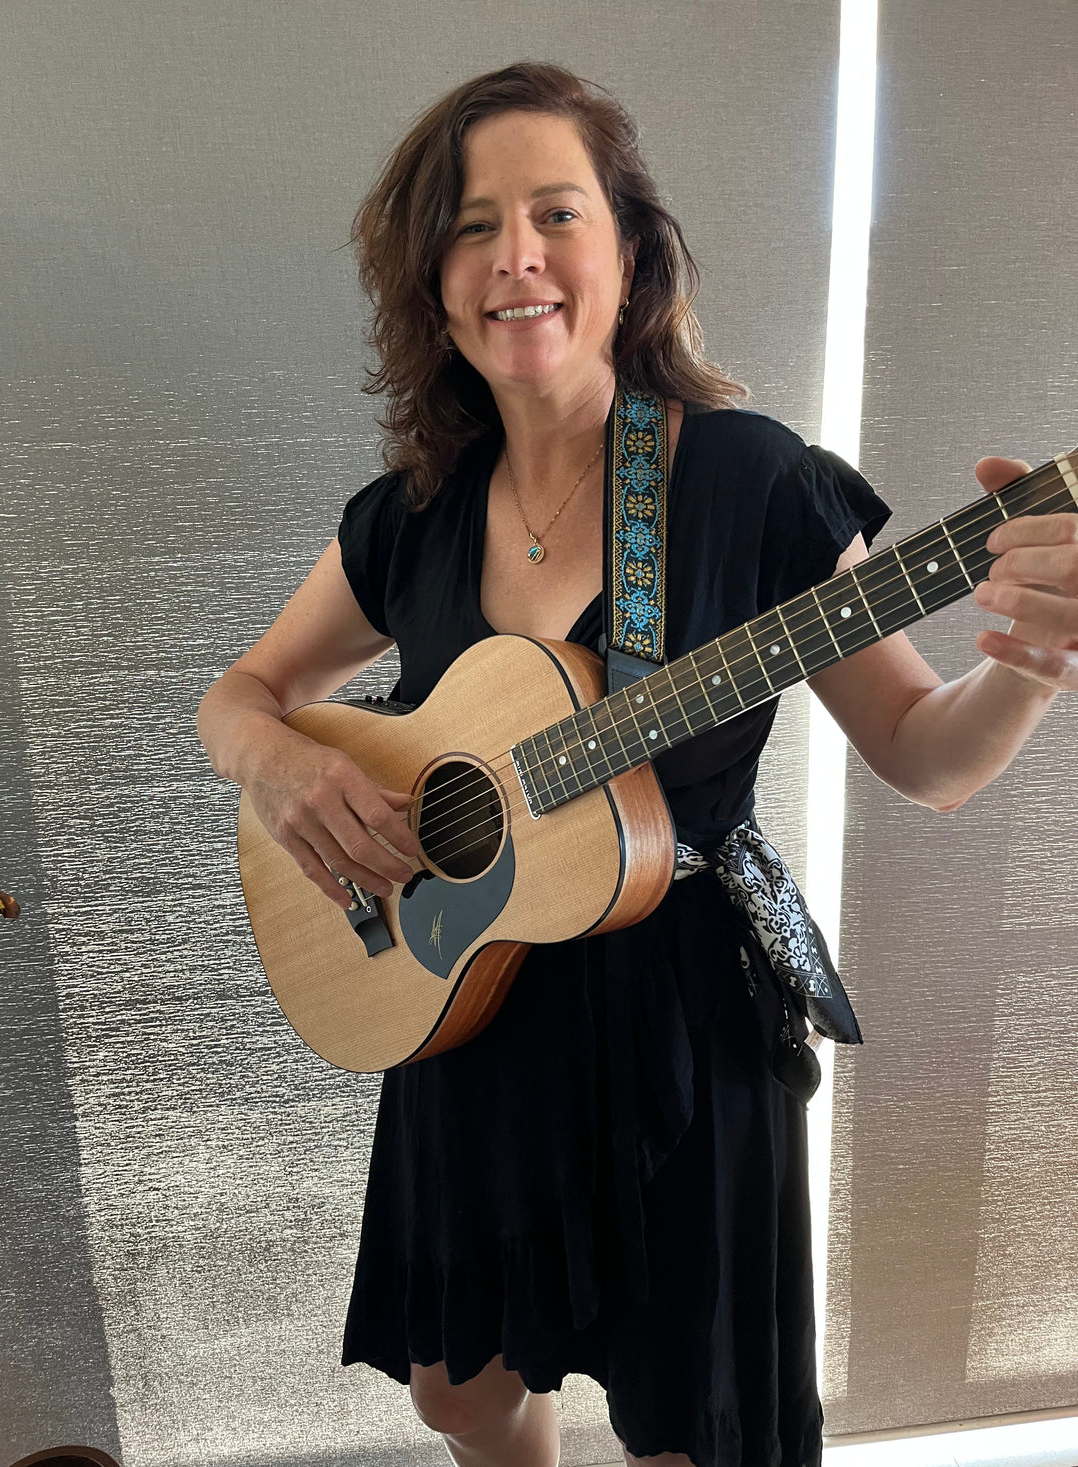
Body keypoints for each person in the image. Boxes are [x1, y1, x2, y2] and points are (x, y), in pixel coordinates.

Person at [196, 62, 1077, 1467]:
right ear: (435, 281)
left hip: (680, 1026)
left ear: (631, 255)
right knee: (462, 1391)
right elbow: (242, 693)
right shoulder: (412, 517)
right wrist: (274, 766)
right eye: (474, 226)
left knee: (688, 1432)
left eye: (556, 213)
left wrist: (1031, 658)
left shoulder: (746, 482)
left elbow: (925, 754)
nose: (517, 257)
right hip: (465, 994)